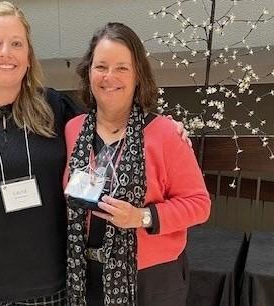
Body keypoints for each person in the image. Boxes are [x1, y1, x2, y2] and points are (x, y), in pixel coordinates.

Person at [0, 2, 191, 306]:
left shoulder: (54, 108)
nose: (5, 53)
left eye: (16, 44)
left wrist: (167, 126)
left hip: (49, 281)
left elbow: (110, 121)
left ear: (28, 56)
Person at [64, 22, 211, 306]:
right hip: (85, 276)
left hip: (151, 280)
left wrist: (142, 217)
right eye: (101, 66)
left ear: (137, 76)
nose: (110, 77)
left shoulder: (165, 133)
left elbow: (199, 204)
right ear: (88, 72)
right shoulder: (73, 130)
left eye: (122, 67)